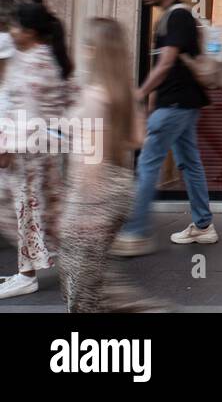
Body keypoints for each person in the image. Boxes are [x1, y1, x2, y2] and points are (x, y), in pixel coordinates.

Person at [112, 0, 218, 256]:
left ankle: (135, 233)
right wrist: (149, 103)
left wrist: (141, 93)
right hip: (180, 103)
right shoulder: (172, 17)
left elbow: (167, 63)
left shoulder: (178, 16)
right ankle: (203, 224)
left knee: (147, 165)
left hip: (175, 104)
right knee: (190, 162)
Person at [60, 18, 162, 312]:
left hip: (93, 194)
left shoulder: (94, 97)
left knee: (79, 285)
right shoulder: (124, 92)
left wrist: (81, 208)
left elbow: (91, 162)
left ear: (92, 50)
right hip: (119, 185)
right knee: (94, 277)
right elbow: (137, 138)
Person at [0, 2, 75, 299]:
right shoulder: (38, 57)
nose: (11, 31)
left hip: (29, 153)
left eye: (16, 26)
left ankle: (26, 274)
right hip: (37, 151)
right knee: (34, 212)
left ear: (30, 32)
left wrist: (5, 148)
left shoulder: (34, 64)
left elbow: (27, 116)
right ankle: (31, 269)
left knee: (28, 212)